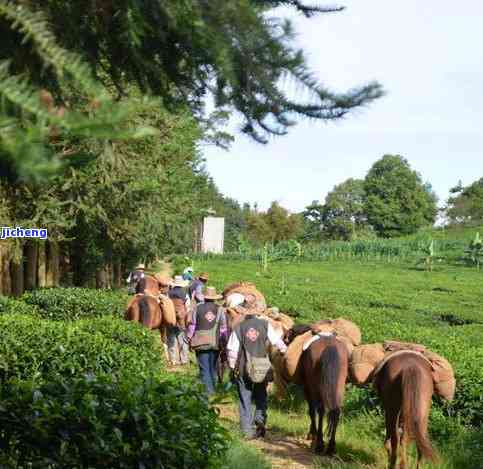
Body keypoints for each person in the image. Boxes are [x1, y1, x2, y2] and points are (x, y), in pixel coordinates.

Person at [226, 299, 287, 440]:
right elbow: (278, 343)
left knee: (244, 397)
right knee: (261, 395)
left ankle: (246, 430)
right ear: (257, 312)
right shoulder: (265, 325)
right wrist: (284, 350)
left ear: (244, 312)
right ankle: (260, 419)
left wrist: (232, 367)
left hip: (243, 366)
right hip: (261, 366)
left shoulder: (239, 327)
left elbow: (232, 351)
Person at [187, 286, 228, 396]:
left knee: (204, 368)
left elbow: (192, 325)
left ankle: (208, 392)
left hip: (200, 342)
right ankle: (213, 388)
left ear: (204, 297)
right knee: (212, 367)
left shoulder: (197, 308)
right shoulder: (220, 310)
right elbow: (224, 328)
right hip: (215, 342)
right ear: (214, 298)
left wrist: (189, 337)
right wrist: (224, 341)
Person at [167, 275, 190, 366]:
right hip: (181, 319)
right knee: (182, 339)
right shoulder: (185, 294)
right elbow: (188, 307)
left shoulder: (169, 293)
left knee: (171, 338)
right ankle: (183, 360)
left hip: (170, 318)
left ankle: (173, 360)